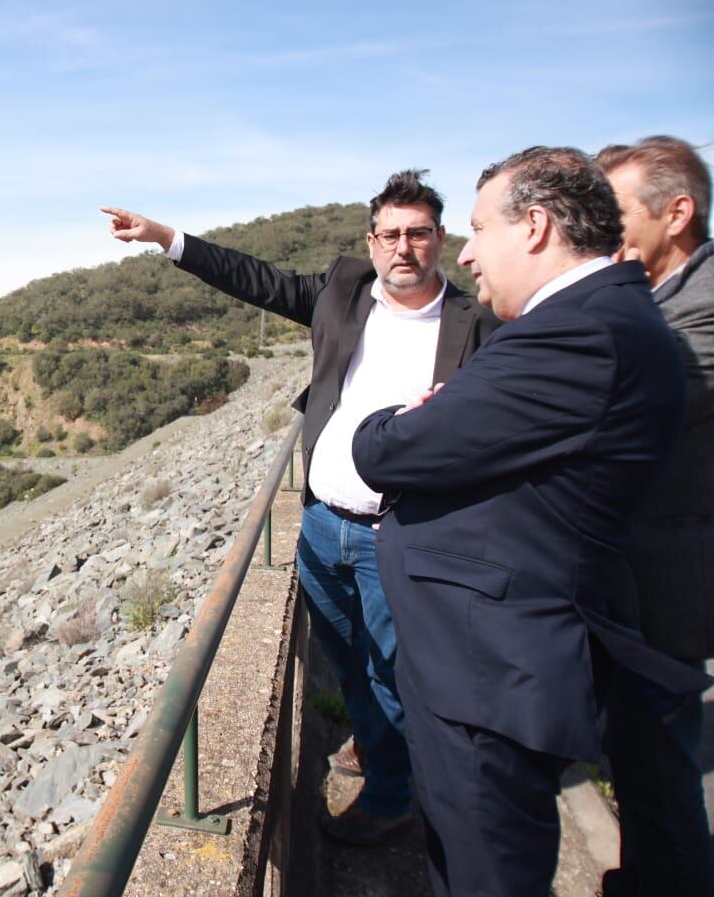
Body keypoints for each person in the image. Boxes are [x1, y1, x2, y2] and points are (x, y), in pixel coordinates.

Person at [350, 146, 710, 896]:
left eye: (479, 228)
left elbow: (387, 451)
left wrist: (391, 422)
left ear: (537, 226)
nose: (469, 252)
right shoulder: (588, 318)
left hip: (488, 665)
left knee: (488, 870)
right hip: (484, 655)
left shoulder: (578, 332)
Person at [102, 170, 500, 844]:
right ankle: (376, 746)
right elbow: (255, 278)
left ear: (440, 239)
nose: (404, 248)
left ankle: (399, 794)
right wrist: (168, 239)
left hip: (401, 535)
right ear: (371, 241)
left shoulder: (477, 323)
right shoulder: (344, 294)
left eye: (419, 234)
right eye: (391, 234)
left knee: (397, 670)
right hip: (321, 523)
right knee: (348, 660)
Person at [596, 135, 714, 897]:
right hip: (634, 570)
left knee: (662, 763)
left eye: (616, 214)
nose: (604, 232)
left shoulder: (703, 309)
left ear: (678, 212)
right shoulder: (657, 293)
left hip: (669, 577)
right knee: (639, 758)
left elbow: (621, 406)